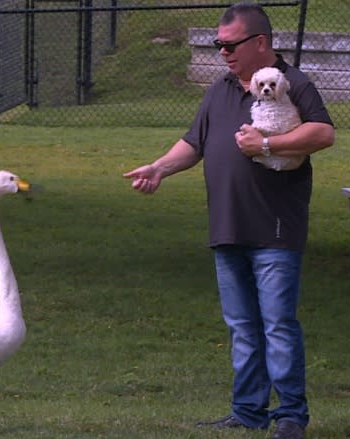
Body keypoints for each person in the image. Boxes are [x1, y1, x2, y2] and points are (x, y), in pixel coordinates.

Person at [123, 3, 334, 439]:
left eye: (230, 44)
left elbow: (322, 133)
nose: (223, 52)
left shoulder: (293, 83)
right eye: (218, 45)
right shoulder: (219, 88)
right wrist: (159, 168)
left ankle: (291, 416)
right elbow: (194, 142)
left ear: (260, 43)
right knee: (241, 327)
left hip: (275, 228)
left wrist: (270, 143)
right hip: (227, 225)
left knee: (277, 324)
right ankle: (248, 411)